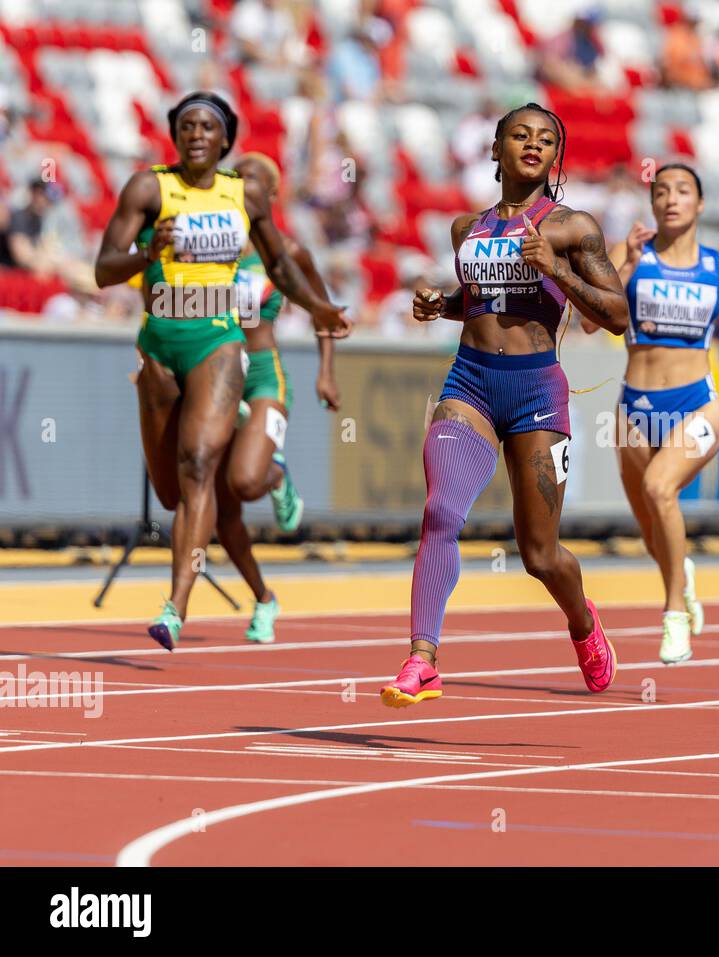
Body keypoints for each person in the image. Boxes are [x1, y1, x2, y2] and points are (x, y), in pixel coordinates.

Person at [381, 103, 630, 707]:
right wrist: (441, 306)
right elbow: (483, 302)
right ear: (495, 149)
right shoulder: (467, 228)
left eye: (546, 139)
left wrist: (559, 273)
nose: (533, 145)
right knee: (441, 512)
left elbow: (618, 316)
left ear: (555, 157)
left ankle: (583, 623)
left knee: (540, 555)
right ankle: (423, 659)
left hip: (537, 394)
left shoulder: (573, 228)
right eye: (520, 135)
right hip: (469, 382)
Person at [93, 91, 349, 650]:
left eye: (209, 126)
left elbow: (285, 267)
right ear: (175, 135)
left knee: (208, 468)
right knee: (174, 492)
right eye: (186, 125)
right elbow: (102, 271)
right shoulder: (148, 189)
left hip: (232, 353)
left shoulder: (246, 206)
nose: (197, 134)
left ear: (226, 139)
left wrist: (321, 316)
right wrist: (146, 255)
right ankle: (257, 591)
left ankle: (175, 607)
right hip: (161, 348)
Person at [586, 162, 719, 664]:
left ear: (700, 205)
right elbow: (591, 326)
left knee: (660, 489)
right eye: (661, 191)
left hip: (695, 403)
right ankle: (683, 573)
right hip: (634, 408)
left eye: (682, 191)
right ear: (651, 204)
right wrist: (626, 266)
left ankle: (675, 612)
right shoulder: (627, 255)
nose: (671, 199)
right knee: (652, 527)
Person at [209, 151, 340, 644]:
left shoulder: (287, 250)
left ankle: (277, 473)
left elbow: (324, 312)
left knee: (245, 481)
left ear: (272, 194)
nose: (242, 187)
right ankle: (264, 599)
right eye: (234, 179)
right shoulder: (208, 248)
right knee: (223, 515)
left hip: (263, 376)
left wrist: (326, 373)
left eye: (253, 181)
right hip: (213, 377)